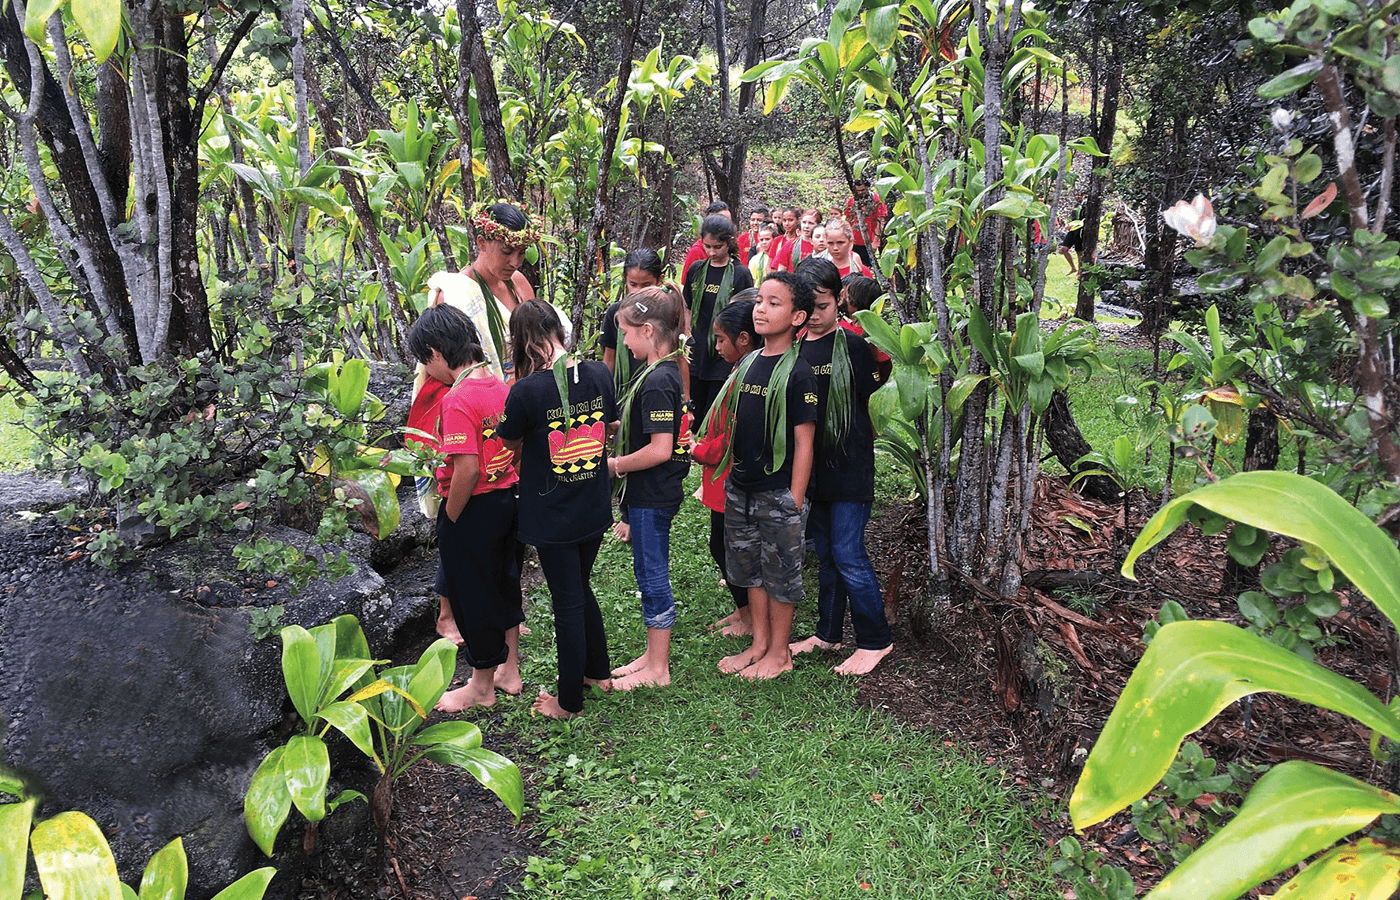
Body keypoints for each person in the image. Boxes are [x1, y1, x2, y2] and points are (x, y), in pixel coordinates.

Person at [414, 201, 553, 644]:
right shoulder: (455, 291)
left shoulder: (518, 283)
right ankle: (448, 612)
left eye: (520, 252)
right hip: (468, 409)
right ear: (482, 242)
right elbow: (434, 360)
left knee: (506, 507)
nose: (514, 262)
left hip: (512, 408)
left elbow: (537, 337)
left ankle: (502, 607)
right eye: (505, 252)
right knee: (462, 506)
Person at [496, 300, 617, 718]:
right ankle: (596, 671)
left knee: (567, 601)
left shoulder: (527, 391)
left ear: (524, 342)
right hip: (594, 503)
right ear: (558, 333)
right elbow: (610, 422)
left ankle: (567, 702)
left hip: (552, 513)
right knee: (579, 588)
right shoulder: (600, 373)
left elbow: (508, 444)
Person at [405, 305, 525, 711]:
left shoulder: (457, 398)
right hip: (509, 498)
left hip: (474, 508)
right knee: (506, 582)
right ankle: (510, 669)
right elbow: (515, 443)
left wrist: (451, 516)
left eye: (426, 361)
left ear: (437, 352)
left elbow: (467, 468)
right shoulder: (498, 384)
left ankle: (480, 685)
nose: (428, 370)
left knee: (474, 596)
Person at [788, 258, 894, 676]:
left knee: (849, 553)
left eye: (823, 306)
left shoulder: (851, 345)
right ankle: (827, 633)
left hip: (851, 465)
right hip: (814, 472)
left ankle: (875, 640)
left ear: (839, 300)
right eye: (806, 307)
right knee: (828, 554)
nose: (814, 315)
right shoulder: (795, 345)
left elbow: (878, 381)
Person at [712, 272, 818, 680]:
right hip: (742, 488)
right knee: (749, 569)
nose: (761, 308)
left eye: (775, 303)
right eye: (761, 300)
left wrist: (794, 497)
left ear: (797, 317)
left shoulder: (799, 373)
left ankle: (779, 652)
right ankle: (758, 643)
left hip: (778, 494)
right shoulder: (750, 362)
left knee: (781, 574)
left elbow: (805, 442)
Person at [607, 287, 690, 690]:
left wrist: (614, 465)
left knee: (653, 574)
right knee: (645, 569)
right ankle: (650, 654)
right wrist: (620, 429)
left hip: (652, 494)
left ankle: (659, 668)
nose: (622, 341)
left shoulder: (659, 379)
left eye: (625, 332)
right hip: (650, 493)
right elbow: (657, 427)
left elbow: (661, 447)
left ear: (648, 330)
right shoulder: (663, 370)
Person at [692, 292, 762, 637]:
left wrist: (698, 449)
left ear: (744, 339)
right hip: (722, 479)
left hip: (729, 478)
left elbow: (734, 434)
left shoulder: (747, 377)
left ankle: (749, 619)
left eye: (721, 339)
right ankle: (742, 610)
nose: (716, 346)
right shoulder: (740, 368)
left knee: (728, 547)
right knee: (723, 545)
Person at [684, 214, 755, 423]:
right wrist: (687, 333)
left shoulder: (740, 274)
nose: (712, 252)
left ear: (729, 242)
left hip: (724, 354)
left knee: (715, 414)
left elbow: (745, 314)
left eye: (718, 247)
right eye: (708, 247)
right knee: (692, 413)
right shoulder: (696, 270)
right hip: (696, 352)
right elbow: (686, 304)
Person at [680, 201, 735, 277]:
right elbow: (687, 282)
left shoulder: (732, 247)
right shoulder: (697, 251)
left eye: (729, 221)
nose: (712, 252)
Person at [844, 178, 887, 268]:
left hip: (869, 241)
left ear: (867, 187)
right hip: (854, 241)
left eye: (862, 190)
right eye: (857, 190)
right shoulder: (851, 201)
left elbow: (881, 221)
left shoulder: (876, 200)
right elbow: (848, 220)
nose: (860, 193)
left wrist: (875, 242)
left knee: (866, 267)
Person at [769, 206, 812, 273]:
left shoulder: (803, 241)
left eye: (790, 220)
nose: (787, 224)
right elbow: (770, 263)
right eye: (784, 220)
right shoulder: (778, 240)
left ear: (798, 220)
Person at [1059, 198, 1086, 275]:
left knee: (1079, 252)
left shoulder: (1086, 204)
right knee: (1064, 249)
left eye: (1079, 195)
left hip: (1080, 230)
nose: (1077, 196)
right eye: (1077, 194)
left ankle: (1080, 272)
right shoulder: (1077, 205)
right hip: (1073, 229)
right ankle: (1073, 268)